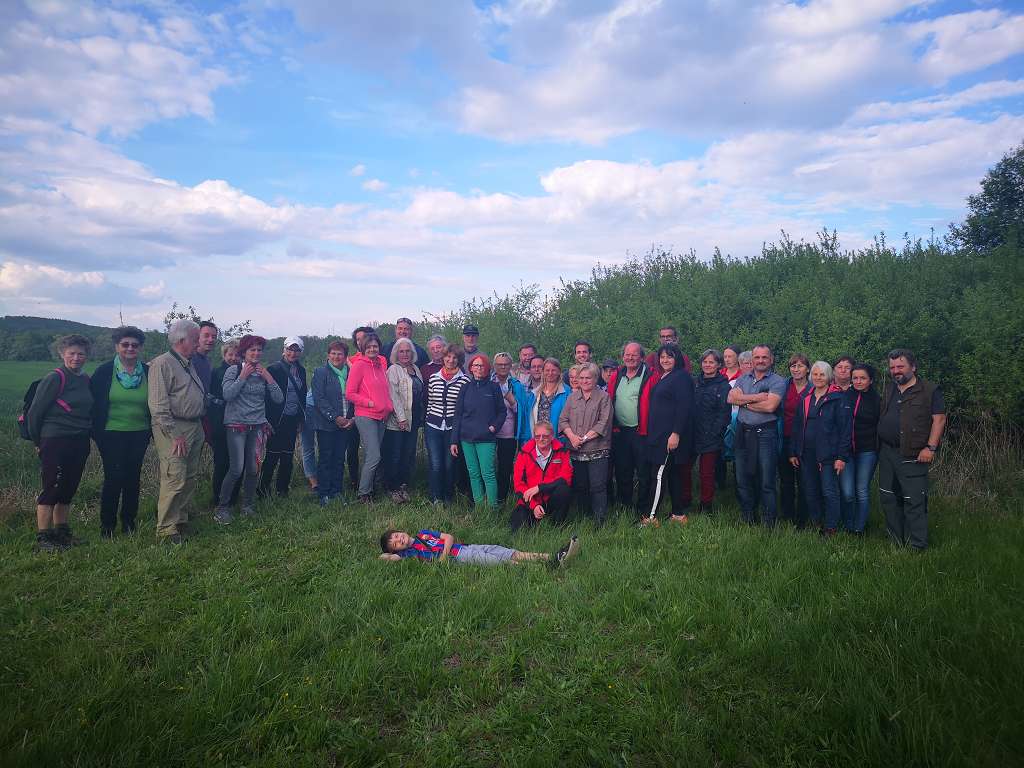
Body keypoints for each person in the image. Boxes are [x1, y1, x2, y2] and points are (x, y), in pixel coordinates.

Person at [26, 334, 94, 552]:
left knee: (68, 487)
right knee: (52, 487)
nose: (76, 358)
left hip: (79, 439)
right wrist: (38, 441)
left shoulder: (85, 380)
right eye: (71, 353)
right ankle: (44, 537)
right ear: (62, 354)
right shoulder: (55, 378)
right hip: (55, 439)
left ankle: (62, 532)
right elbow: (35, 413)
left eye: (81, 354)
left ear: (87, 356)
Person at [877, 349, 945, 550]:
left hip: (913, 453)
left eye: (900, 366)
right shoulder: (890, 388)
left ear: (913, 367)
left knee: (913, 500)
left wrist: (930, 448)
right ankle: (896, 540)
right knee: (889, 496)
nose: (895, 371)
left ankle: (917, 545)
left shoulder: (929, 390)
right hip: (887, 452)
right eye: (892, 367)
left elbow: (939, 420)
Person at [89, 326, 151, 538]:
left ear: (140, 347)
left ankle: (129, 523)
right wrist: (96, 434)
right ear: (117, 346)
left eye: (135, 345)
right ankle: (107, 526)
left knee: (133, 478)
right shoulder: (104, 372)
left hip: (140, 432)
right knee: (114, 478)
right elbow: (93, 404)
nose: (130, 348)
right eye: (125, 344)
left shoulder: (148, 372)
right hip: (111, 434)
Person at [148, 320, 206, 544]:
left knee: (189, 476)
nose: (199, 343)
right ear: (182, 340)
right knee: (175, 476)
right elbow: (158, 406)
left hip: (194, 425)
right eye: (196, 339)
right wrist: (174, 434)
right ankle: (166, 529)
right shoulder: (162, 363)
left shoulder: (187, 362)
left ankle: (180, 520)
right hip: (175, 427)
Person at [216, 335, 283, 523]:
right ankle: (222, 508)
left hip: (257, 426)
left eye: (259, 350)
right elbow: (227, 395)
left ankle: (247, 506)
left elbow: (279, 399)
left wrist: (269, 378)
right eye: (252, 350)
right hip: (236, 426)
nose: (256, 353)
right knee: (236, 469)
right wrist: (242, 377)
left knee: (253, 469)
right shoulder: (233, 370)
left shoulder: (263, 372)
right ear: (244, 352)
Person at [789, 361, 851, 535]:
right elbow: (797, 426)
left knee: (829, 491)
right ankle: (816, 522)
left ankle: (831, 527)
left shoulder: (838, 398)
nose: (818, 378)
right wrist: (793, 451)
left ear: (829, 376)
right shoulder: (806, 397)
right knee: (810, 490)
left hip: (828, 454)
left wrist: (842, 457)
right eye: (815, 374)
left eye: (822, 374)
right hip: (806, 453)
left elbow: (846, 430)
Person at [728, 345, 787, 527]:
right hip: (742, 431)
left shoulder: (778, 381)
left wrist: (744, 401)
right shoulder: (743, 378)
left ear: (771, 359)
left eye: (764, 357)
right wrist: (758, 397)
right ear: (752, 359)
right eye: (757, 357)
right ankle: (748, 517)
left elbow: (770, 407)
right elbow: (731, 399)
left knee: (767, 480)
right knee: (742, 478)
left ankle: (769, 521)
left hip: (765, 435)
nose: (760, 361)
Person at [642, 344, 695, 524]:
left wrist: (676, 433)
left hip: (668, 436)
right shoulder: (665, 376)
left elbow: (684, 407)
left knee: (658, 475)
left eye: (669, 356)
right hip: (659, 435)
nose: (665, 360)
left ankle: (650, 517)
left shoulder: (681, 377)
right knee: (673, 474)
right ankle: (678, 514)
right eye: (662, 357)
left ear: (677, 358)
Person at [606, 342, 659, 513]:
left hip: (641, 431)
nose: (630, 358)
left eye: (634, 355)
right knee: (623, 470)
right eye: (627, 354)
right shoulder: (617, 374)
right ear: (623, 357)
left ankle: (643, 508)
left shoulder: (651, 375)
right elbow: (609, 399)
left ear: (642, 357)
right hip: (620, 431)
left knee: (643, 471)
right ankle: (625, 504)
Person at [558, 362, 612, 526]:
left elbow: (604, 422)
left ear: (595, 378)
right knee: (580, 486)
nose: (584, 381)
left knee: (597, 486)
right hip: (576, 450)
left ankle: (599, 521)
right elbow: (563, 420)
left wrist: (584, 438)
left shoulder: (603, 397)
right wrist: (572, 437)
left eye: (588, 378)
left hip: (597, 449)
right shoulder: (572, 397)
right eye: (581, 378)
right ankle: (584, 518)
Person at [452, 353, 506, 507]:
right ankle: (480, 507)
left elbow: (502, 411)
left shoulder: (493, 387)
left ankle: (492, 508)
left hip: (486, 438)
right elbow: (458, 414)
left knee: (487, 473)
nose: (479, 368)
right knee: (473, 474)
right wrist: (454, 440)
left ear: (487, 368)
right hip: (466, 438)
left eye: (482, 365)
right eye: (475, 365)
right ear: (471, 368)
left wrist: (493, 427)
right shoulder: (465, 387)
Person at [346, 332, 394, 503]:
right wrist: (370, 403)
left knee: (371, 456)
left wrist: (388, 406)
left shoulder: (381, 364)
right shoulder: (359, 365)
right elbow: (350, 393)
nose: (372, 349)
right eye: (369, 347)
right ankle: (363, 494)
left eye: (375, 346)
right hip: (365, 416)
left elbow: (384, 389)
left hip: (382, 416)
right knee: (374, 456)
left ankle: (371, 489)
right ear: (363, 348)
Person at [380, 528, 580, 568]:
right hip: (462, 558)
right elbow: (384, 558)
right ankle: (550, 566)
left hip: (467, 548)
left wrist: (443, 556)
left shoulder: (423, 534)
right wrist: (390, 553)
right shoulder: (411, 554)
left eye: (397, 536)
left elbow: (449, 537)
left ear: (400, 530)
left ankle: (552, 556)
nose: (399, 540)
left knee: (509, 552)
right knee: (504, 562)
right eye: (395, 544)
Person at [684, 349, 731, 514]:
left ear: (718, 365)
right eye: (705, 362)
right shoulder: (694, 382)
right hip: (692, 434)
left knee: (706, 473)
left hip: (711, 435)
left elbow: (724, 414)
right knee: (685, 468)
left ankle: (706, 505)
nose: (707, 365)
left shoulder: (723, 386)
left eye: (711, 362)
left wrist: (714, 433)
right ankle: (685, 500)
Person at [260, 336, 307, 498]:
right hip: (276, 419)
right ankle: (262, 490)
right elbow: (266, 397)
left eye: (296, 350)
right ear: (284, 350)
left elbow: (302, 396)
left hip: (292, 419)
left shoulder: (301, 371)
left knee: (287, 456)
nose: (293, 353)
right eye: (290, 349)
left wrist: (301, 419)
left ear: (300, 352)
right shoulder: (274, 369)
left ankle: (282, 490)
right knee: (272, 455)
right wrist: (266, 419)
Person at [310, 341, 355, 505]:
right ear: (328, 355)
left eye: (340, 354)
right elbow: (319, 398)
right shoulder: (320, 372)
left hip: (346, 423)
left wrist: (351, 418)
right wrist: (335, 417)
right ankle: (324, 493)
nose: (336, 357)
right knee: (326, 458)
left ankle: (336, 491)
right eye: (333, 353)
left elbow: (355, 396)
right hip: (326, 424)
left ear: (345, 356)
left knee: (339, 458)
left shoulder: (351, 372)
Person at [424, 344, 469, 504]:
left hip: (452, 428)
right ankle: (436, 497)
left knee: (450, 465)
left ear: (459, 360)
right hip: (433, 426)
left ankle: (448, 496)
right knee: (436, 464)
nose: (451, 360)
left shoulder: (465, 380)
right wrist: (427, 420)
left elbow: (464, 407)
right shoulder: (434, 378)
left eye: (455, 357)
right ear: (443, 358)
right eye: (448, 356)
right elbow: (430, 402)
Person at [840, 363, 881, 535]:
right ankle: (848, 524)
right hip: (846, 451)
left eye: (862, 378)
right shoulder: (844, 396)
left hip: (867, 451)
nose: (858, 381)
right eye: (855, 378)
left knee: (862, 490)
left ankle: (858, 529)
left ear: (870, 380)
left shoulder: (877, 400)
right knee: (847, 492)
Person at [383, 338, 425, 503]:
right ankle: (392, 488)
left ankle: (402, 486)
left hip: (413, 420)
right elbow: (393, 396)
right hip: (397, 421)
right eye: (401, 351)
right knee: (395, 455)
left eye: (408, 351)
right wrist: (401, 418)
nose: (405, 354)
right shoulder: (393, 370)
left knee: (407, 454)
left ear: (412, 353)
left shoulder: (416, 369)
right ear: (396, 353)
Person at [510, 421, 573, 531]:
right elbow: (518, 485)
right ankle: (535, 518)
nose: (541, 439)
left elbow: (565, 478)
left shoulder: (562, 452)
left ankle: (556, 525)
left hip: (551, 499)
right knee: (518, 528)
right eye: (537, 436)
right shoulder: (524, 453)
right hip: (530, 500)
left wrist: (540, 488)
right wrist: (534, 505)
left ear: (552, 436)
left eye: (545, 436)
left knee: (564, 489)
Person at [778, 354, 812, 526]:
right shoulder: (784, 386)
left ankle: (803, 518)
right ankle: (787, 514)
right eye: (793, 366)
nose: (796, 369)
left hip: (805, 440)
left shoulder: (813, 388)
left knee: (804, 480)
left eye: (800, 366)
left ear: (808, 369)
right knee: (786, 480)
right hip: (784, 437)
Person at [209, 339, 241, 508]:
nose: (233, 358)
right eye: (230, 354)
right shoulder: (216, 372)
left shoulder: (244, 371)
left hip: (239, 422)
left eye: (237, 355)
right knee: (221, 462)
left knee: (237, 462)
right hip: (220, 423)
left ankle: (234, 497)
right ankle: (218, 498)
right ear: (224, 355)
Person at [492, 352, 526, 503]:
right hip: (489, 432)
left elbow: (521, 410)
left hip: (508, 433)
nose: (503, 367)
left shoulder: (516, 385)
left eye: (506, 364)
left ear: (511, 366)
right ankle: (487, 496)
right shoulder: (488, 381)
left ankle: (501, 499)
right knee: (488, 467)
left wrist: (511, 400)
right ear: (494, 366)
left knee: (505, 467)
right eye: (499, 364)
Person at [518, 358, 571, 444]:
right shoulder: (534, 394)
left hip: (558, 441)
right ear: (543, 371)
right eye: (547, 370)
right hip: (537, 439)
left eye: (553, 370)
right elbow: (528, 420)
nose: (550, 373)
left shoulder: (567, 392)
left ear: (559, 372)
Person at [346, 326, 374, 489]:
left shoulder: (379, 359)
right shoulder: (349, 360)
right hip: (353, 408)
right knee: (352, 447)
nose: (361, 341)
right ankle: (354, 480)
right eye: (358, 339)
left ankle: (370, 482)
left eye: (364, 338)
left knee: (373, 450)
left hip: (372, 411)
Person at [194, 320, 218, 394]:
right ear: (197, 337)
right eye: (206, 336)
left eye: (214, 337)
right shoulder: (189, 360)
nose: (211, 340)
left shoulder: (208, 362)